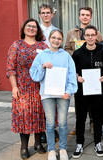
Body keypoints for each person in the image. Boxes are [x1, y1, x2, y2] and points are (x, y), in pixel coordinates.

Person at [30, 29, 78, 160]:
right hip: (47, 95)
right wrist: (43, 67)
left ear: (62, 41)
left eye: (59, 38)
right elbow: (34, 74)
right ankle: (51, 149)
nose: (56, 40)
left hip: (63, 94)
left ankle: (62, 148)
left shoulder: (66, 56)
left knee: (62, 122)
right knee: (50, 123)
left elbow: (71, 74)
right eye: (53, 38)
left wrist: (69, 91)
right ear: (49, 38)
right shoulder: (41, 55)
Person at [6, 18, 47, 160]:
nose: (31, 28)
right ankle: (23, 147)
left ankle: (37, 144)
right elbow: (10, 68)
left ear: (38, 30)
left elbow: (51, 63)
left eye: (34, 27)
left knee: (39, 116)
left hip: (39, 86)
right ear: (24, 29)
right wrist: (14, 87)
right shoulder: (16, 45)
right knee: (24, 117)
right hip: (22, 87)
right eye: (29, 26)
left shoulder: (43, 46)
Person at [71, 25, 103, 158]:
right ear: (84, 37)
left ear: (96, 36)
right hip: (82, 91)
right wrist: (77, 77)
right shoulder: (77, 53)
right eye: (87, 35)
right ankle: (79, 143)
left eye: (92, 35)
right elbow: (74, 72)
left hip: (97, 90)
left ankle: (98, 142)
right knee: (81, 118)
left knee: (97, 118)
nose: (90, 37)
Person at [38, 3, 59, 144]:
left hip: (53, 70)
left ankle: (52, 128)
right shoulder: (35, 29)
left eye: (48, 12)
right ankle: (42, 131)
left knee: (54, 101)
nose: (46, 15)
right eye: (43, 12)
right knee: (40, 103)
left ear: (52, 14)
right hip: (40, 68)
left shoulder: (57, 30)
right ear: (40, 15)